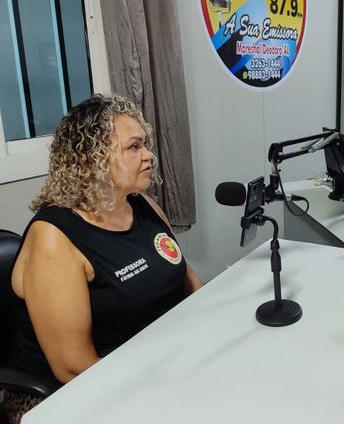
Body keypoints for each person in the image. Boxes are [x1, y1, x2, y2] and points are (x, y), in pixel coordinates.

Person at [2, 94, 203, 423]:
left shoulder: (143, 205)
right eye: (134, 147)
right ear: (92, 159)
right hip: (63, 396)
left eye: (145, 144)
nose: (149, 155)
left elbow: (188, 281)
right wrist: (161, 392)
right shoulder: (54, 237)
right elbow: (72, 367)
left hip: (149, 363)